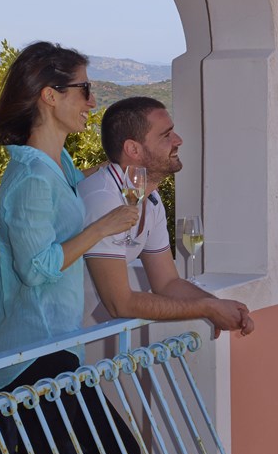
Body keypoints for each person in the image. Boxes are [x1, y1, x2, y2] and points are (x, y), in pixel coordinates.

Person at [0, 41, 141, 454]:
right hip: (30, 348)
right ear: (50, 96)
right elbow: (37, 267)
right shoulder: (28, 179)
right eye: (84, 89)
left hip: (55, 342)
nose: (92, 102)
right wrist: (102, 228)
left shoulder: (59, 166)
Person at [80, 96, 253, 337]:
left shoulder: (149, 199)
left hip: (63, 338)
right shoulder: (103, 199)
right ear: (133, 149)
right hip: (32, 344)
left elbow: (167, 283)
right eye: (166, 135)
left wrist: (218, 306)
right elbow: (120, 303)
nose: (178, 140)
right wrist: (207, 307)